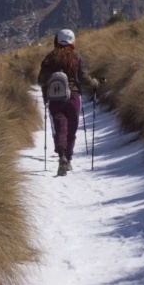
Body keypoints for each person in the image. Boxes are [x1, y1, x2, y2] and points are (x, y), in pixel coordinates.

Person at [37, 28, 98, 176]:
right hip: (73, 97)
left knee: (60, 127)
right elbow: (84, 77)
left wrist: (46, 94)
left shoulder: (49, 58)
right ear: (72, 41)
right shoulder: (76, 57)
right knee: (71, 129)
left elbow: (41, 80)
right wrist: (95, 83)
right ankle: (68, 159)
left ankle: (62, 156)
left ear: (57, 40)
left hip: (55, 98)